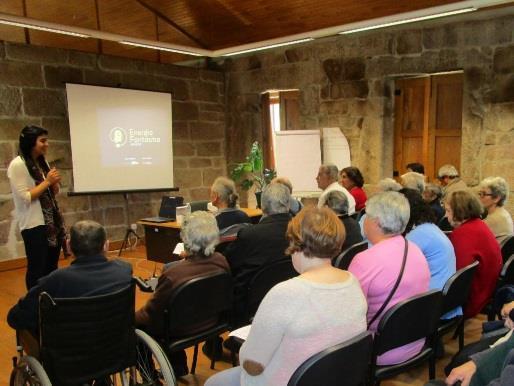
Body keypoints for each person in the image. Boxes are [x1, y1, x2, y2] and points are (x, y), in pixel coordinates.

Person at [205, 207, 367, 386]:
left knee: (213, 382)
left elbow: (252, 365)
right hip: (336, 378)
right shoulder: (353, 282)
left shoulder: (285, 294)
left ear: (294, 242)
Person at [7, 220, 133, 356]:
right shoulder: (124, 270)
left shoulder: (55, 281)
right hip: (114, 349)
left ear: (68, 246)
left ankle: (40, 365)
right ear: (106, 246)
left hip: (70, 356)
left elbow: (15, 317)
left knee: (23, 322)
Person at [135, 211, 230, 376]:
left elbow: (151, 313)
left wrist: (130, 318)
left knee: (135, 330)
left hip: (178, 331)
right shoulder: (221, 261)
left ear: (185, 238)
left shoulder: (173, 274)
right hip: (212, 322)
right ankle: (177, 368)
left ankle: (149, 375)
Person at [348, 191, 430, 365]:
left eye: (366, 215)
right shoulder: (415, 249)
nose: (364, 220)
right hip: (414, 340)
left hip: (381, 349)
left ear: (376, 222)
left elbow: (349, 313)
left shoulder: (364, 260)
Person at [224, 183, 292, 326]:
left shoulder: (250, 235)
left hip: (251, 306)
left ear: (263, 205)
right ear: (288, 204)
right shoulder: (302, 230)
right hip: (290, 299)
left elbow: (227, 263)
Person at [7, 126, 67, 289]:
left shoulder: (42, 162)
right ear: (30, 142)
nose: (47, 144)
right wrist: (47, 182)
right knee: (37, 269)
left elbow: (52, 192)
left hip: (51, 224)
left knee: (51, 267)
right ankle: (34, 303)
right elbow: (25, 197)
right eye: (42, 141)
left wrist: (53, 185)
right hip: (34, 224)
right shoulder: (17, 164)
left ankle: (50, 300)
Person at [400, 188, 460, 319]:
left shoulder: (418, 235)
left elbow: (398, 266)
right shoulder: (429, 227)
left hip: (435, 302)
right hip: (447, 298)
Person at [445, 190, 502, 318]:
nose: (445, 215)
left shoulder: (463, 234)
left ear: (460, 211)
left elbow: (457, 276)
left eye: (448, 211)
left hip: (475, 297)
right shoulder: (479, 224)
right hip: (488, 289)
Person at [478, 177, 513, 245]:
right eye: (480, 193)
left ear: (496, 198)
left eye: (484, 194)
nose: (480, 197)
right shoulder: (501, 212)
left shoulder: (494, 219)